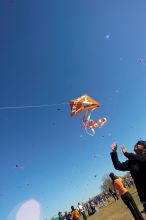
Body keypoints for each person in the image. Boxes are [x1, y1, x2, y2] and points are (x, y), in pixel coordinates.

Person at [110, 140, 146, 215]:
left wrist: (126, 153)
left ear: (144, 148)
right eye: (136, 143)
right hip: (144, 197)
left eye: (138, 144)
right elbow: (118, 166)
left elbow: (141, 159)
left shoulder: (143, 157)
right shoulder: (132, 161)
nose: (135, 144)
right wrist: (114, 152)